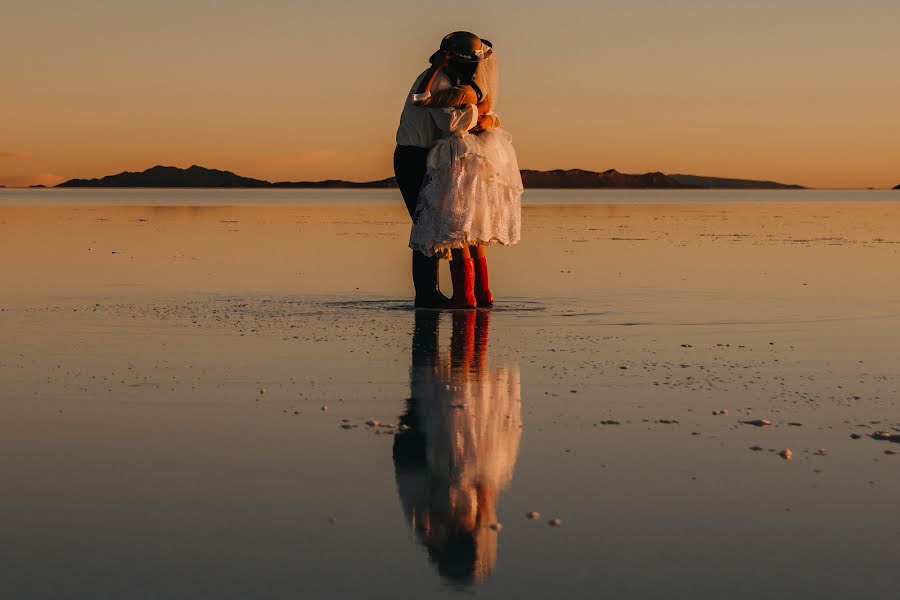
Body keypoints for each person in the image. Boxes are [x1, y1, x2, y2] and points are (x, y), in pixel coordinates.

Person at [395, 31, 522, 309]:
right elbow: (451, 123)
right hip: (414, 157)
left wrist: (487, 117)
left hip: (434, 159)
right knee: (426, 227)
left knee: (451, 225)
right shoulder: (438, 80)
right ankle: (429, 295)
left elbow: (463, 116)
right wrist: (484, 116)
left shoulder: (451, 81)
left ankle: (457, 295)